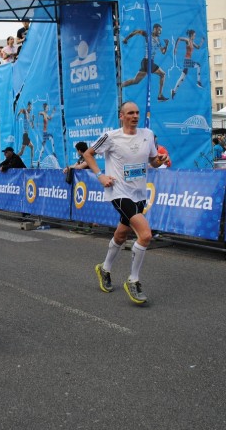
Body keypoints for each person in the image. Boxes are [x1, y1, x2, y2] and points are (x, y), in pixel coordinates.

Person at [82, 102, 169, 305]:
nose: (135, 116)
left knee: (121, 234)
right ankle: (133, 280)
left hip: (139, 192)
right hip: (119, 192)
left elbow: (153, 160)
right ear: (121, 116)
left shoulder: (148, 134)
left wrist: (160, 160)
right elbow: (88, 154)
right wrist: (100, 176)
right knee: (145, 234)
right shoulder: (111, 137)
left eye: (137, 112)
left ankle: (104, 268)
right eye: (130, 113)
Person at [121, 24, 170, 101]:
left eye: (161, 31)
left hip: (147, 62)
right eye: (159, 30)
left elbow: (163, 52)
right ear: (154, 29)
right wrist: (126, 39)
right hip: (147, 62)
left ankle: (119, 85)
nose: (160, 32)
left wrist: (167, 45)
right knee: (163, 74)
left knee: (135, 81)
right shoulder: (148, 35)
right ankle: (160, 96)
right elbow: (136, 31)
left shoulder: (158, 40)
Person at [170, 29, 205, 99]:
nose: (195, 37)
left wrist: (202, 41)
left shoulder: (192, 42)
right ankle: (198, 81)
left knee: (182, 77)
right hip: (187, 60)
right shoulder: (188, 40)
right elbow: (179, 38)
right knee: (198, 65)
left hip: (187, 60)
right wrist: (175, 48)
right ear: (191, 35)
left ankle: (174, 91)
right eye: (194, 35)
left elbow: (198, 47)